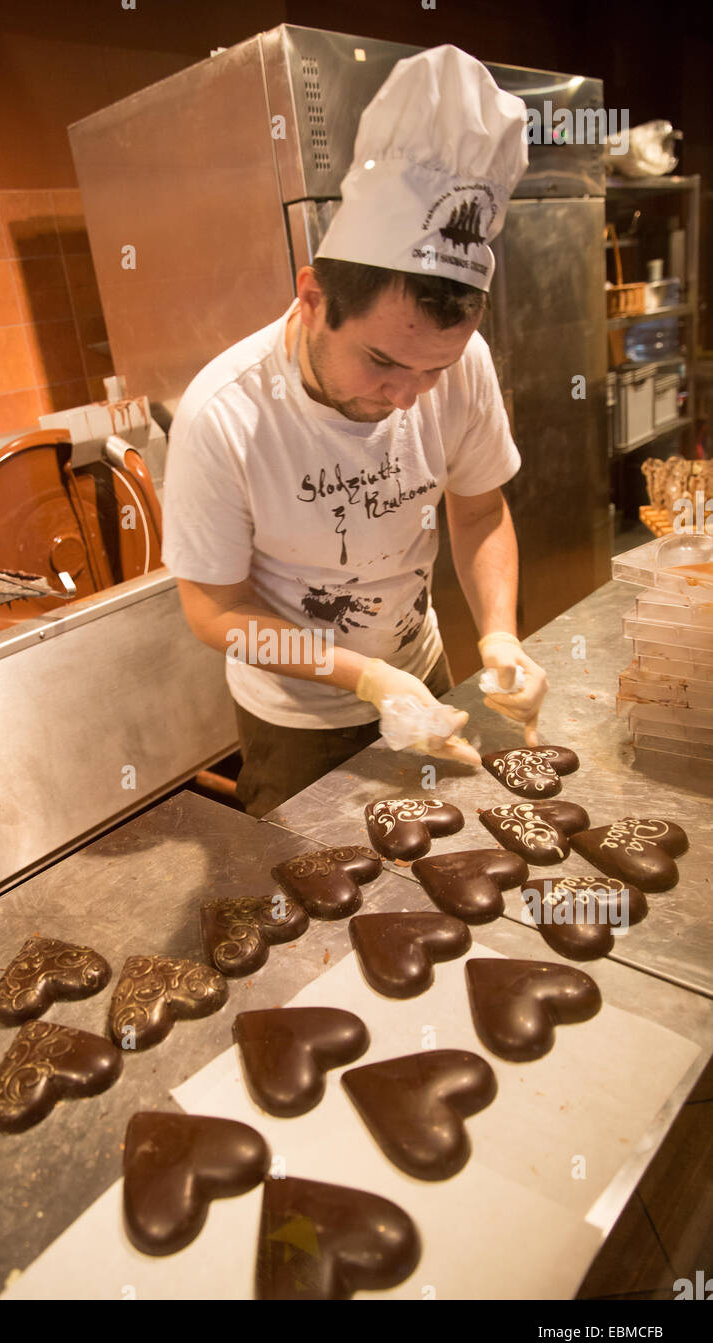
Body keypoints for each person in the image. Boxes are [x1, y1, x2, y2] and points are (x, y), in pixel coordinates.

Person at [161, 45, 548, 818]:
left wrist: (500, 636)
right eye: (381, 362)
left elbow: (477, 509)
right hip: (297, 717)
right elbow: (213, 609)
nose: (408, 398)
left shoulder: (460, 361)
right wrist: (362, 678)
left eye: (431, 372)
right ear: (312, 300)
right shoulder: (226, 415)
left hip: (426, 672)